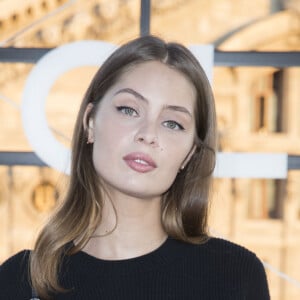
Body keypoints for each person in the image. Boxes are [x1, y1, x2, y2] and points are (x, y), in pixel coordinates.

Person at [0, 35, 270, 300]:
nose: (148, 134)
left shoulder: (234, 277)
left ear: (190, 154)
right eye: (129, 110)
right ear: (91, 122)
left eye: (172, 123)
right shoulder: (22, 282)